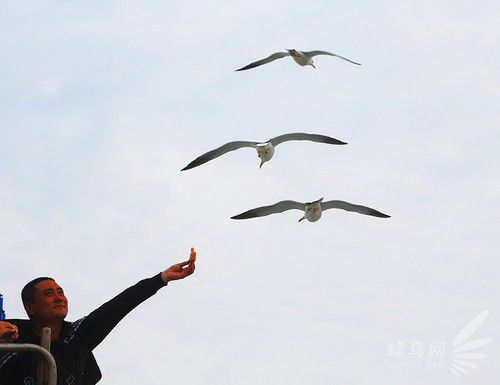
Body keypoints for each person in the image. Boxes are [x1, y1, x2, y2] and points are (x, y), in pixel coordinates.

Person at [0, 248, 197, 385]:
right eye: (49, 294)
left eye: (61, 292)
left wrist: (161, 279)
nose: (59, 298)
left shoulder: (76, 335)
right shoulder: (10, 335)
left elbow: (116, 307)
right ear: (30, 308)